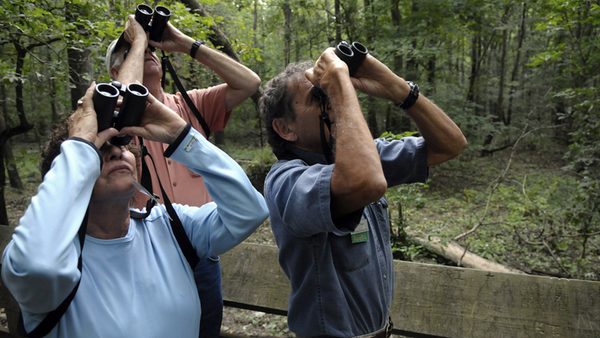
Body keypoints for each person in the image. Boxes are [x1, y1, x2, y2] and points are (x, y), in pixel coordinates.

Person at [1, 81, 268, 337]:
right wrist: (80, 145)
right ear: (71, 170)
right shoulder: (57, 255)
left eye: (122, 144)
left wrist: (180, 134)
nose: (117, 153)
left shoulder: (173, 228)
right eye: (99, 150)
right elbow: (37, 269)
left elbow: (248, 210)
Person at [259, 48, 467, 337]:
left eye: (329, 94)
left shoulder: (361, 159)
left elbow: (450, 145)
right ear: (285, 128)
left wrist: (398, 89)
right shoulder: (285, 180)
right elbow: (366, 182)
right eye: (320, 97)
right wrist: (339, 85)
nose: (331, 102)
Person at [105, 14, 261, 337]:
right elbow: (125, 96)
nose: (146, 51)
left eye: (150, 49)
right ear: (115, 71)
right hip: (148, 253)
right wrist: (138, 42)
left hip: (202, 251)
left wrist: (185, 44)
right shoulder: (116, 121)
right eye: (134, 51)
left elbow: (250, 83)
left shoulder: (191, 104)